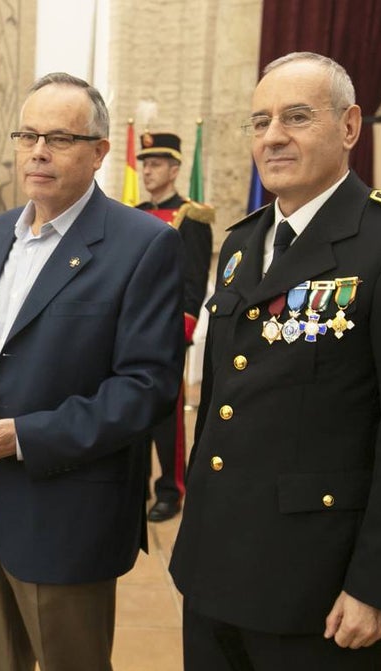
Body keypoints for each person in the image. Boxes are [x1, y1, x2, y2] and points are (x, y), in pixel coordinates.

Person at [169, 52, 381, 671]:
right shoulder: (241, 246)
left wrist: (380, 585)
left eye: (296, 117)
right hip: (216, 570)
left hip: (318, 587)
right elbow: (226, 407)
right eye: (261, 121)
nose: (273, 136)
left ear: (349, 125)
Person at [0, 73, 185, 671]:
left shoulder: (142, 245)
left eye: (59, 138)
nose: (37, 152)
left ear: (100, 150)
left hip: (65, 504)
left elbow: (145, 390)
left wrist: (26, 436)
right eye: (27, 135)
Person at [135, 131, 214, 521]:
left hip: (166, 331)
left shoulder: (191, 215)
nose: (147, 171)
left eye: (155, 164)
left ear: (175, 168)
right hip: (130, 329)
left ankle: (171, 488)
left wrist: (181, 329)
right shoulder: (132, 212)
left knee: (168, 418)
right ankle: (137, 485)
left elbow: (194, 280)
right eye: (144, 164)